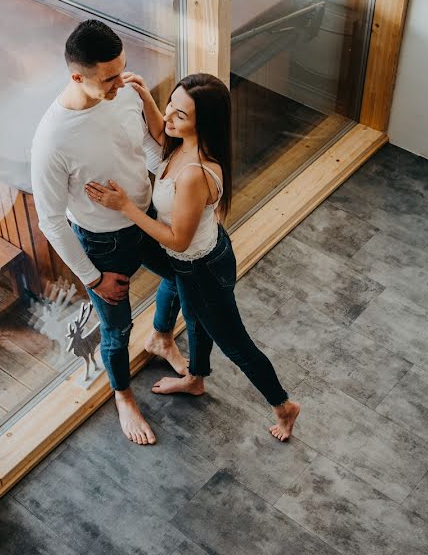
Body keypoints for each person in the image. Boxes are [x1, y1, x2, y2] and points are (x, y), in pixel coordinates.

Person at [85, 73, 301, 441]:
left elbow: (177, 241)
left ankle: (284, 407)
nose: (168, 118)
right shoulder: (185, 143)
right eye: (171, 104)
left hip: (200, 267)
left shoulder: (195, 174)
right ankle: (195, 379)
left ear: (202, 124)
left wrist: (125, 207)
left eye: (179, 115)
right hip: (199, 261)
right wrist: (148, 100)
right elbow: (162, 135)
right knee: (198, 323)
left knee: (236, 344)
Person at [31, 20, 188, 446]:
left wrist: (177, 192)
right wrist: (93, 279)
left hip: (147, 217)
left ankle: (160, 336)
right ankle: (123, 397)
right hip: (104, 244)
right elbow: (50, 220)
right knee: (116, 330)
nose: (124, 82)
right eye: (110, 77)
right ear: (77, 77)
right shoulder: (51, 141)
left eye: (123, 69)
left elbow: (150, 153)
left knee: (179, 278)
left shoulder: (127, 94)